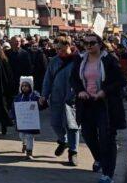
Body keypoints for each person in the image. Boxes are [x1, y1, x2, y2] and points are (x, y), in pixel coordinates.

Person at [71, 33, 127, 183]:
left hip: (106, 104)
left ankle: (108, 174)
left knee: (107, 138)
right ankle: (100, 159)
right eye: (86, 43)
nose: (88, 46)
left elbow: (121, 80)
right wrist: (80, 91)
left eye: (92, 43)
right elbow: (74, 79)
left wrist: (104, 91)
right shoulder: (80, 59)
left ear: (100, 44)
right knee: (88, 135)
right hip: (87, 103)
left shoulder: (109, 59)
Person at [41, 34, 80, 166]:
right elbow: (48, 79)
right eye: (57, 49)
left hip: (72, 98)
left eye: (61, 49)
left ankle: (73, 152)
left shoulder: (78, 60)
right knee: (55, 123)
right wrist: (44, 95)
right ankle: (63, 141)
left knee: (72, 126)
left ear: (69, 46)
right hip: (56, 97)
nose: (59, 51)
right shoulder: (54, 61)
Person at [12, 77, 41, 160]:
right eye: (23, 86)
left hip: (31, 122)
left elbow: (41, 104)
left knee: (29, 136)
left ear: (30, 86)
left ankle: (29, 152)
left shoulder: (34, 96)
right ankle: (24, 143)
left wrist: (41, 100)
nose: (24, 87)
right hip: (22, 122)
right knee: (21, 135)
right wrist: (13, 116)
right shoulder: (18, 97)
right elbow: (14, 107)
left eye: (26, 86)